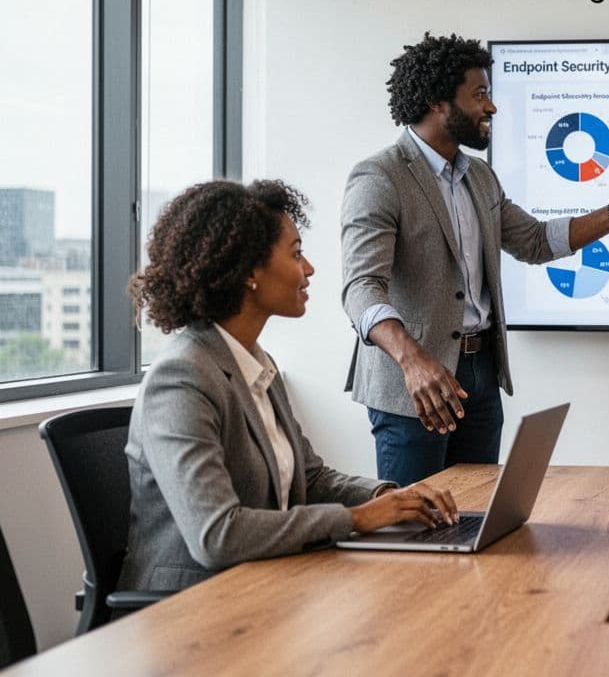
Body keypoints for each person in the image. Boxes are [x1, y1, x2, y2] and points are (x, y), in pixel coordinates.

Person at [341, 32, 609, 485]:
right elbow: (360, 287)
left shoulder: (479, 176)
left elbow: (536, 241)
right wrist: (413, 361)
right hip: (413, 388)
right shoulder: (380, 177)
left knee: (479, 517)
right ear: (437, 102)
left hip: (480, 377)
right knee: (415, 530)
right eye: (480, 94)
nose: (492, 108)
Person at [120, 180, 459, 593]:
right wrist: (357, 519)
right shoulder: (182, 379)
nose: (310, 268)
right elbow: (217, 535)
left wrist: (393, 496)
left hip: (265, 582)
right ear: (248, 272)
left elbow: (311, 480)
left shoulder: (256, 364)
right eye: (296, 253)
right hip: (190, 607)